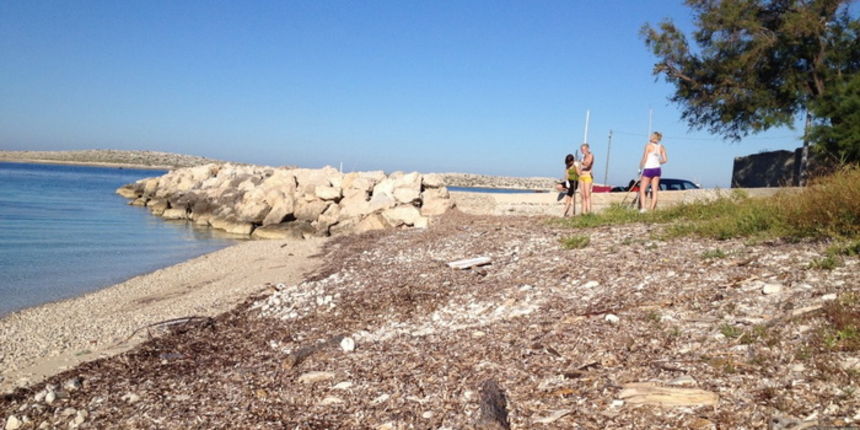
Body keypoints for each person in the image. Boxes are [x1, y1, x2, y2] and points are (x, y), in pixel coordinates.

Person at [638, 131, 668, 212]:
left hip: (648, 169)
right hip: (657, 169)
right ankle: (651, 209)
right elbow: (665, 160)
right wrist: (658, 162)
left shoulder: (648, 145)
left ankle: (643, 208)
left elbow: (644, 158)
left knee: (642, 189)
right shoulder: (662, 147)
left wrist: (640, 169)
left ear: (653, 137)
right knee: (654, 190)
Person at [579, 143, 594, 214]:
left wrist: (580, 162)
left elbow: (587, 164)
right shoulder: (583, 157)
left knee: (587, 195)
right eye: (581, 150)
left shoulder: (591, 155)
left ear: (587, 149)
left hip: (587, 176)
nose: (582, 151)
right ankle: (583, 212)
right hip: (582, 176)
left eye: (584, 149)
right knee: (582, 195)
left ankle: (589, 212)